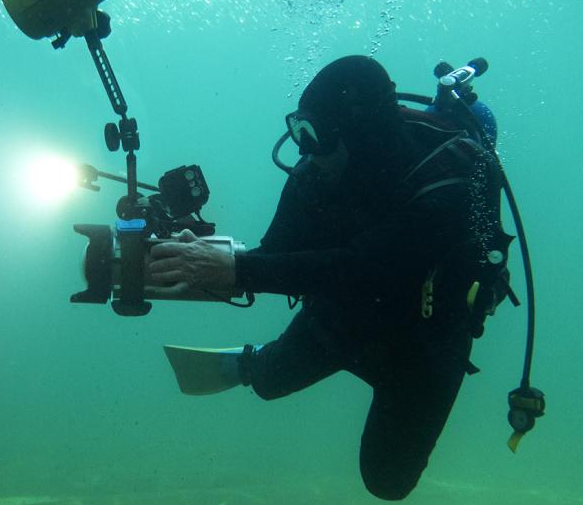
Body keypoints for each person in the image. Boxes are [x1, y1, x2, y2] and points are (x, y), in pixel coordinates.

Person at [146, 55, 511, 500]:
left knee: (387, 482)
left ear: (362, 132)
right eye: (301, 130)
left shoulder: (447, 176)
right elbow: (277, 256)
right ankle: (255, 364)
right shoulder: (317, 169)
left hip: (427, 340)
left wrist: (239, 269)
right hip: (345, 314)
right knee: (269, 383)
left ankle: (283, 362)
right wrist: (206, 254)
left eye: (317, 134)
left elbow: (372, 267)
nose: (306, 148)